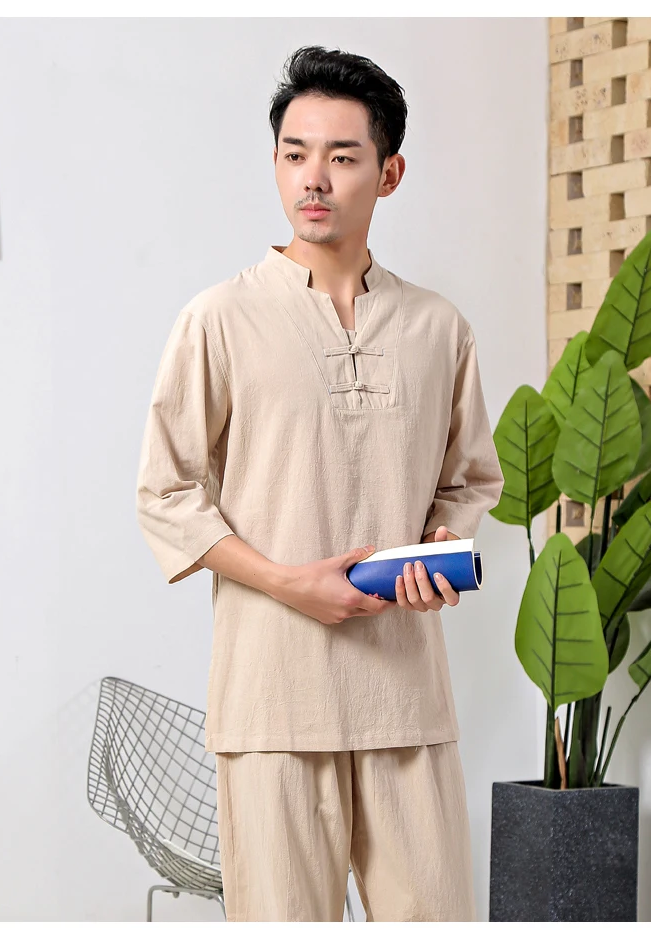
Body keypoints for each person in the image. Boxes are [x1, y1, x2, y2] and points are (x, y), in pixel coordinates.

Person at [135, 44, 505, 922]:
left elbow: (467, 480)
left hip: (407, 699)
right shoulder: (218, 319)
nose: (314, 178)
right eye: (295, 153)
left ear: (390, 173)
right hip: (272, 700)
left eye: (342, 157)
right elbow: (167, 492)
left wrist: (442, 545)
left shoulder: (438, 328)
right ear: (275, 163)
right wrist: (287, 583)